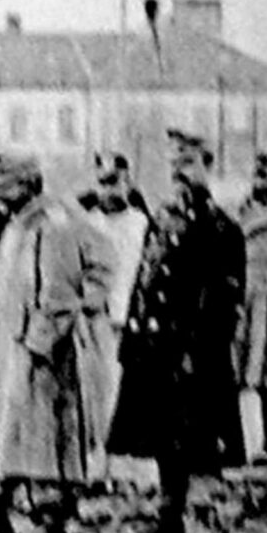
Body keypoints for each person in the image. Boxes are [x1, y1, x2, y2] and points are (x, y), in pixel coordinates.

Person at [106, 135, 247, 533]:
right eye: (174, 165)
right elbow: (145, 281)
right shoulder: (163, 219)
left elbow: (224, 302)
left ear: (207, 166)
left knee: (195, 437)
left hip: (193, 353)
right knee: (163, 437)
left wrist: (198, 351)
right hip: (156, 348)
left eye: (187, 163)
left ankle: (197, 518)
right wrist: (134, 338)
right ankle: (169, 518)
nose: (179, 173)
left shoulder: (219, 227)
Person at [0, 155, 111, 533]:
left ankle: (51, 516)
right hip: (8, 340)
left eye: (6, 186)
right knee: (7, 427)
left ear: (28, 184)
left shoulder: (52, 223)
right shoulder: (20, 223)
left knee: (45, 432)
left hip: (40, 346)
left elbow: (60, 290)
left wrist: (42, 340)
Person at [75, 151, 149, 479]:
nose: (108, 191)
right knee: (95, 390)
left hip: (132, 318)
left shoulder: (140, 223)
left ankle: (125, 463)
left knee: (127, 392)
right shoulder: (88, 222)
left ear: (127, 182)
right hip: (96, 318)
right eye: (102, 183)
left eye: (114, 183)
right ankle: (97, 461)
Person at [240, 153, 267, 463]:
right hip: (251, 295)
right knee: (252, 370)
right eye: (259, 174)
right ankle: (254, 442)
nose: (262, 179)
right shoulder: (244, 209)